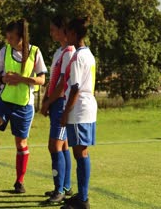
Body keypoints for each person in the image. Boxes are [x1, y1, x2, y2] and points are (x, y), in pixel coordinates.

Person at [0, 19, 47, 194]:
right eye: (7, 36)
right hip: (4, 100)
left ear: (21, 37)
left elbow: (42, 79)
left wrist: (22, 79)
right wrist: (3, 79)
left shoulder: (35, 52)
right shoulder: (4, 51)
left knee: (21, 144)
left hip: (24, 104)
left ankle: (19, 182)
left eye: (11, 37)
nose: (8, 40)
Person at [60, 17, 97, 209]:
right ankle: (81, 196)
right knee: (80, 151)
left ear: (74, 34)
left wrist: (66, 112)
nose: (65, 36)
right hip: (87, 106)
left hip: (79, 108)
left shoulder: (77, 57)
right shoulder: (89, 54)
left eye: (67, 32)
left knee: (80, 152)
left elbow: (74, 88)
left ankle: (83, 199)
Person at [40, 15, 75, 203]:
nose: (51, 32)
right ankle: (65, 186)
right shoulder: (58, 52)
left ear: (63, 30)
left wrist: (49, 102)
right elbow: (53, 80)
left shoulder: (70, 52)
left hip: (62, 103)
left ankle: (59, 190)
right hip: (55, 103)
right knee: (63, 145)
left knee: (54, 146)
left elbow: (62, 84)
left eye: (54, 29)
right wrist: (46, 99)